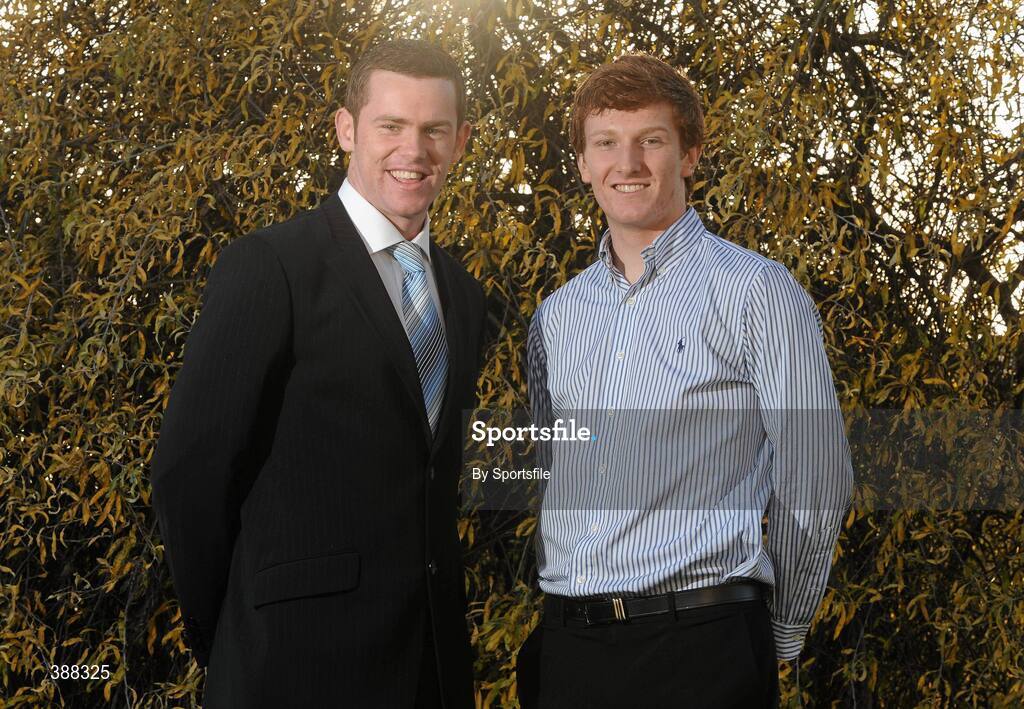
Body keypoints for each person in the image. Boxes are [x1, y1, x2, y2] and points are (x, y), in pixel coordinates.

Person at [150, 39, 485, 709]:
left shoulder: (463, 293)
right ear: (346, 129)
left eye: (433, 129)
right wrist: (235, 627)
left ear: (461, 141)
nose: (412, 149)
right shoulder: (271, 266)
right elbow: (189, 469)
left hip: (430, 672)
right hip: (289, 666)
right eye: (391, 125)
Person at [518, 54, 853, 708]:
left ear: (691, 154)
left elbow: (817, 473)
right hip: (569, 651)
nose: (629, 163)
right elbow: (550, 475)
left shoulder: (756, 291)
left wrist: (781, 626)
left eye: (652, 140)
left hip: (699, 649)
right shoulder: (556, 318)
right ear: (584, 164)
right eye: (606, 143)